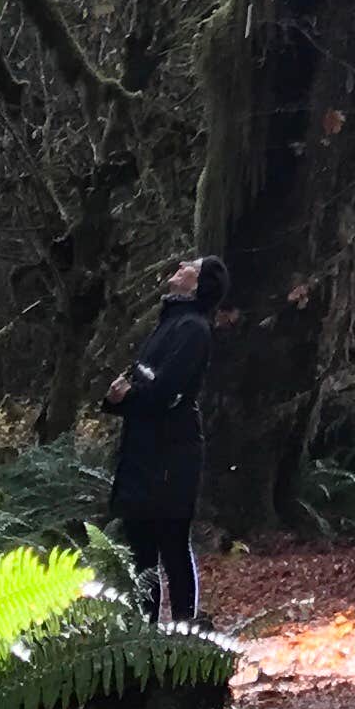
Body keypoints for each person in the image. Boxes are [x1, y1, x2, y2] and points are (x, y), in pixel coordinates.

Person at [104, 253, 223, 626]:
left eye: (193, 266)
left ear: (198, 285)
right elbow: (141, 381)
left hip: (173, 454)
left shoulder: (194, 330)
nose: (183, 264)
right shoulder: (168, 323)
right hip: (142, 449)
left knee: (171, 543)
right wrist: (115, 399)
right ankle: (144, 632)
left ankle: (187, 632)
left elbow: (166, 391)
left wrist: (128, 398)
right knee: (140, 547)